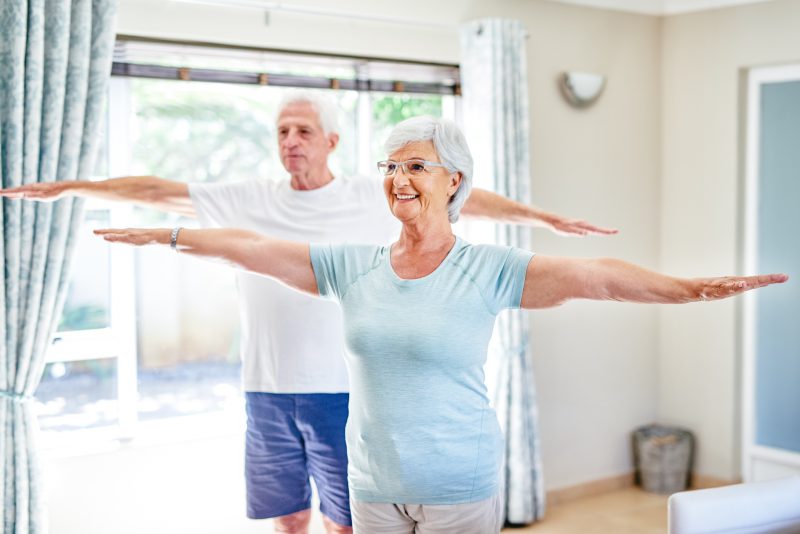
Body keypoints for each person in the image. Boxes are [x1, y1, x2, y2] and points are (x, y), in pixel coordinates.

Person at [93, 115, 787, 534]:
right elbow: (250, 245)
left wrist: (689, 290)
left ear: (454, 180)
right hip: (372, 486)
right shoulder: (350, 265)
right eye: (389, 166)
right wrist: (165, 236)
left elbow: (596, 274)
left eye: (415, 165)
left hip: (458, 483)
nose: (397, 178)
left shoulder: (486, 267)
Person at [0, 92, 616, 534]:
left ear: (331, 142)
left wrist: (544, 219)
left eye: (302, 130)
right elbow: (157, 191)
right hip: (265, 389)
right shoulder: (248, 196)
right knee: (287, 514)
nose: (290, 141)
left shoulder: (370, 192)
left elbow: (463, 194)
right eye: (281, 131)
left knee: (345, 519)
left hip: (342, 393)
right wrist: (72, 188)